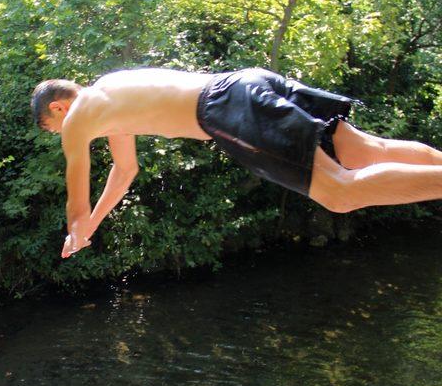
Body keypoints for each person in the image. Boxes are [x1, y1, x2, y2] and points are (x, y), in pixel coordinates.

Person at [30, 67, 442, 258]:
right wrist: (93, 226)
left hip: (226, 110)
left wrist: (76, 230)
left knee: (339, 192)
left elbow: (75, 198)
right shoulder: (110, 93)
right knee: (366, 152)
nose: (62, 136)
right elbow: (125, 171)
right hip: (245, 81)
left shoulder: (79, 117)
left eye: (54, 128)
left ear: (59, 107)